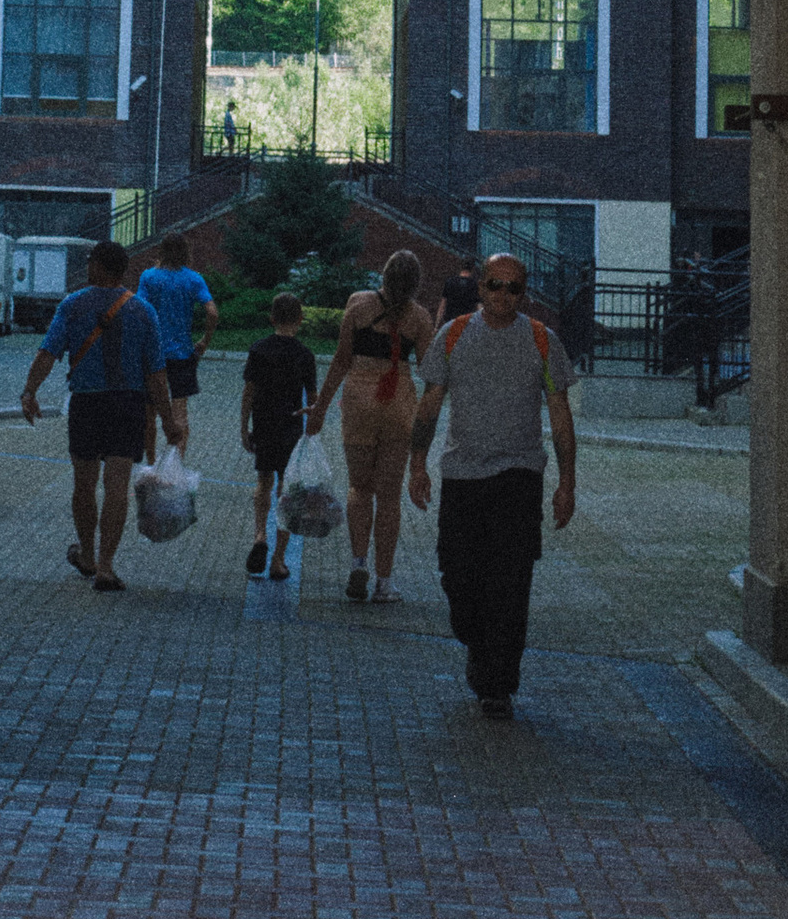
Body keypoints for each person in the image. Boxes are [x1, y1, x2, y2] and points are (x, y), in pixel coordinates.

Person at [407, 251, 577, 720]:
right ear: (480, 288)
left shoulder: (543, 342)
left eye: (514, 288)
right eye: (495, 286)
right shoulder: (454, 334)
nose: (504, 296)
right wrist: (416, 464)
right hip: (463, 475)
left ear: (524, 293)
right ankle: (475, 638)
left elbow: (560, 416)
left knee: (511, 583)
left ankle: (498, 685)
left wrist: (567, 483)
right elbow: (429, 407)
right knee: (458, 577)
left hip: (519, 477)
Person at [20, 242, 174, 594]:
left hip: (87, 404)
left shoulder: (73, 305)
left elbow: (49, 353)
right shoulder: (143, 311)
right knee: (117, 486)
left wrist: (30, 391)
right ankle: (106, 566)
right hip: (128, 404)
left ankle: (88, 554)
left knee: (84, 484)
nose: (86, 265)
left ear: (100, 267)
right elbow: (156, 374)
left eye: (90, 261)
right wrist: (168, 419)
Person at [312, 248, 434, 605]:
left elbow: (340, 360)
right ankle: (384, 582)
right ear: (416, 285)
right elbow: (430, 374)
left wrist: (320, 408)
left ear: (383, 275)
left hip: (359, 403)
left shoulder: (358, 304)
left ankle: (357, 563)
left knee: (359, 488)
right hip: (399, 404)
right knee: (390, 498)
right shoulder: (420, 319)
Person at [240, 290, 319, 581]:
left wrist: (243, 426)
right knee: (286, 489)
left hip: (264, 423)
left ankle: (259, 534)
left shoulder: (259, 350)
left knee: (263, 480)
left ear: (271, 318)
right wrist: (312, 428)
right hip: (291, 426)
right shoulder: (305, 355)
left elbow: (249, 392)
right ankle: (278, 560)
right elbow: (313, 400)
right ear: (300, 320)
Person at [134, 233, 216, 460]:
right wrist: (204, 341)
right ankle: (176, 462)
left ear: (161, 251)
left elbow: (140, 310)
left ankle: (151, 462)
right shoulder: (193, 279)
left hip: (153, 354)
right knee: (179, 411)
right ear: (185, 252)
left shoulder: (149, 277)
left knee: (149, 412)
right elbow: (212, 312)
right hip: (182, 353)